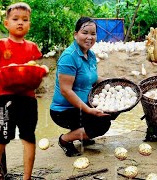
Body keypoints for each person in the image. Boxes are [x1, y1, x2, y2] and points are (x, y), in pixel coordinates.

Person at [0, 2, 42, 179]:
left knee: (29, 137)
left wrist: (41, 71)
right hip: (4, 97)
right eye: (15, 19)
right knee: (2, 136)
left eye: (25, 19)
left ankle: (27, 177)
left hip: (28, 98)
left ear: (29, 24)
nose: (20, 23)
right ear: (7, 23)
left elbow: (36, 68)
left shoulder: (32, 47)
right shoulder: (0, 44)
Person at [50, 17, 119, 157]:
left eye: (93, 34)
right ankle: (65, 140)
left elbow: (92, 79)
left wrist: (113, 83)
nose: (89, 37)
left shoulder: (91, 55)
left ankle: (83, 135)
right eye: (85, 33)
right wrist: (88, 110)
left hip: (82, 105)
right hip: (63, 110)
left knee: (112, 110)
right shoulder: (69, 57)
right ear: (76, 34)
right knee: (102, 124)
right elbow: (65, 90)